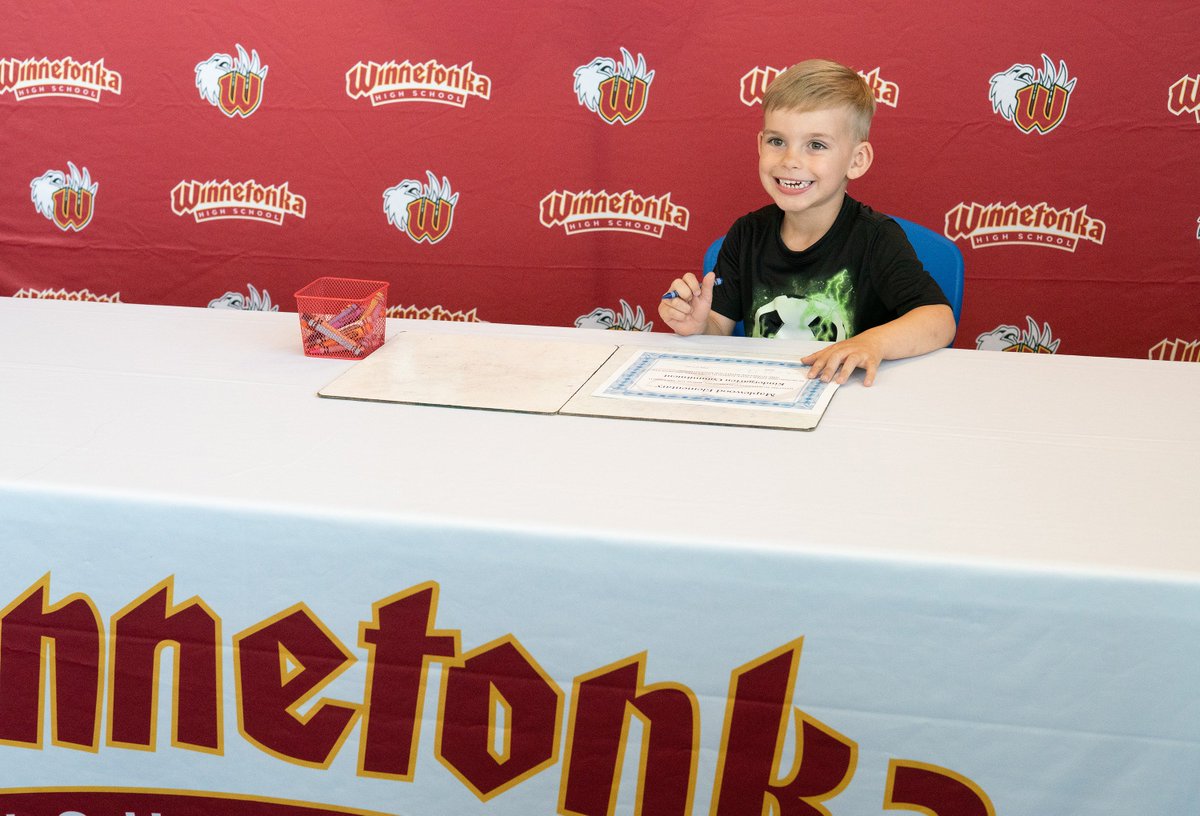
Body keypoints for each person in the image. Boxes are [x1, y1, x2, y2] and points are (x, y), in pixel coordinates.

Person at [658, 59, 956, 386]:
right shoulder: (746, 235)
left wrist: (873, 343)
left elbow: (940, 319)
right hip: (768, 394)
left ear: (857, 160)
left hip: (849, 397)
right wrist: (697, 324)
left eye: (816, 145)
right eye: (777, 141)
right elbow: (718, 328)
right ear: (760, 145)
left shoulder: (875, 238)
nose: (791, 160)